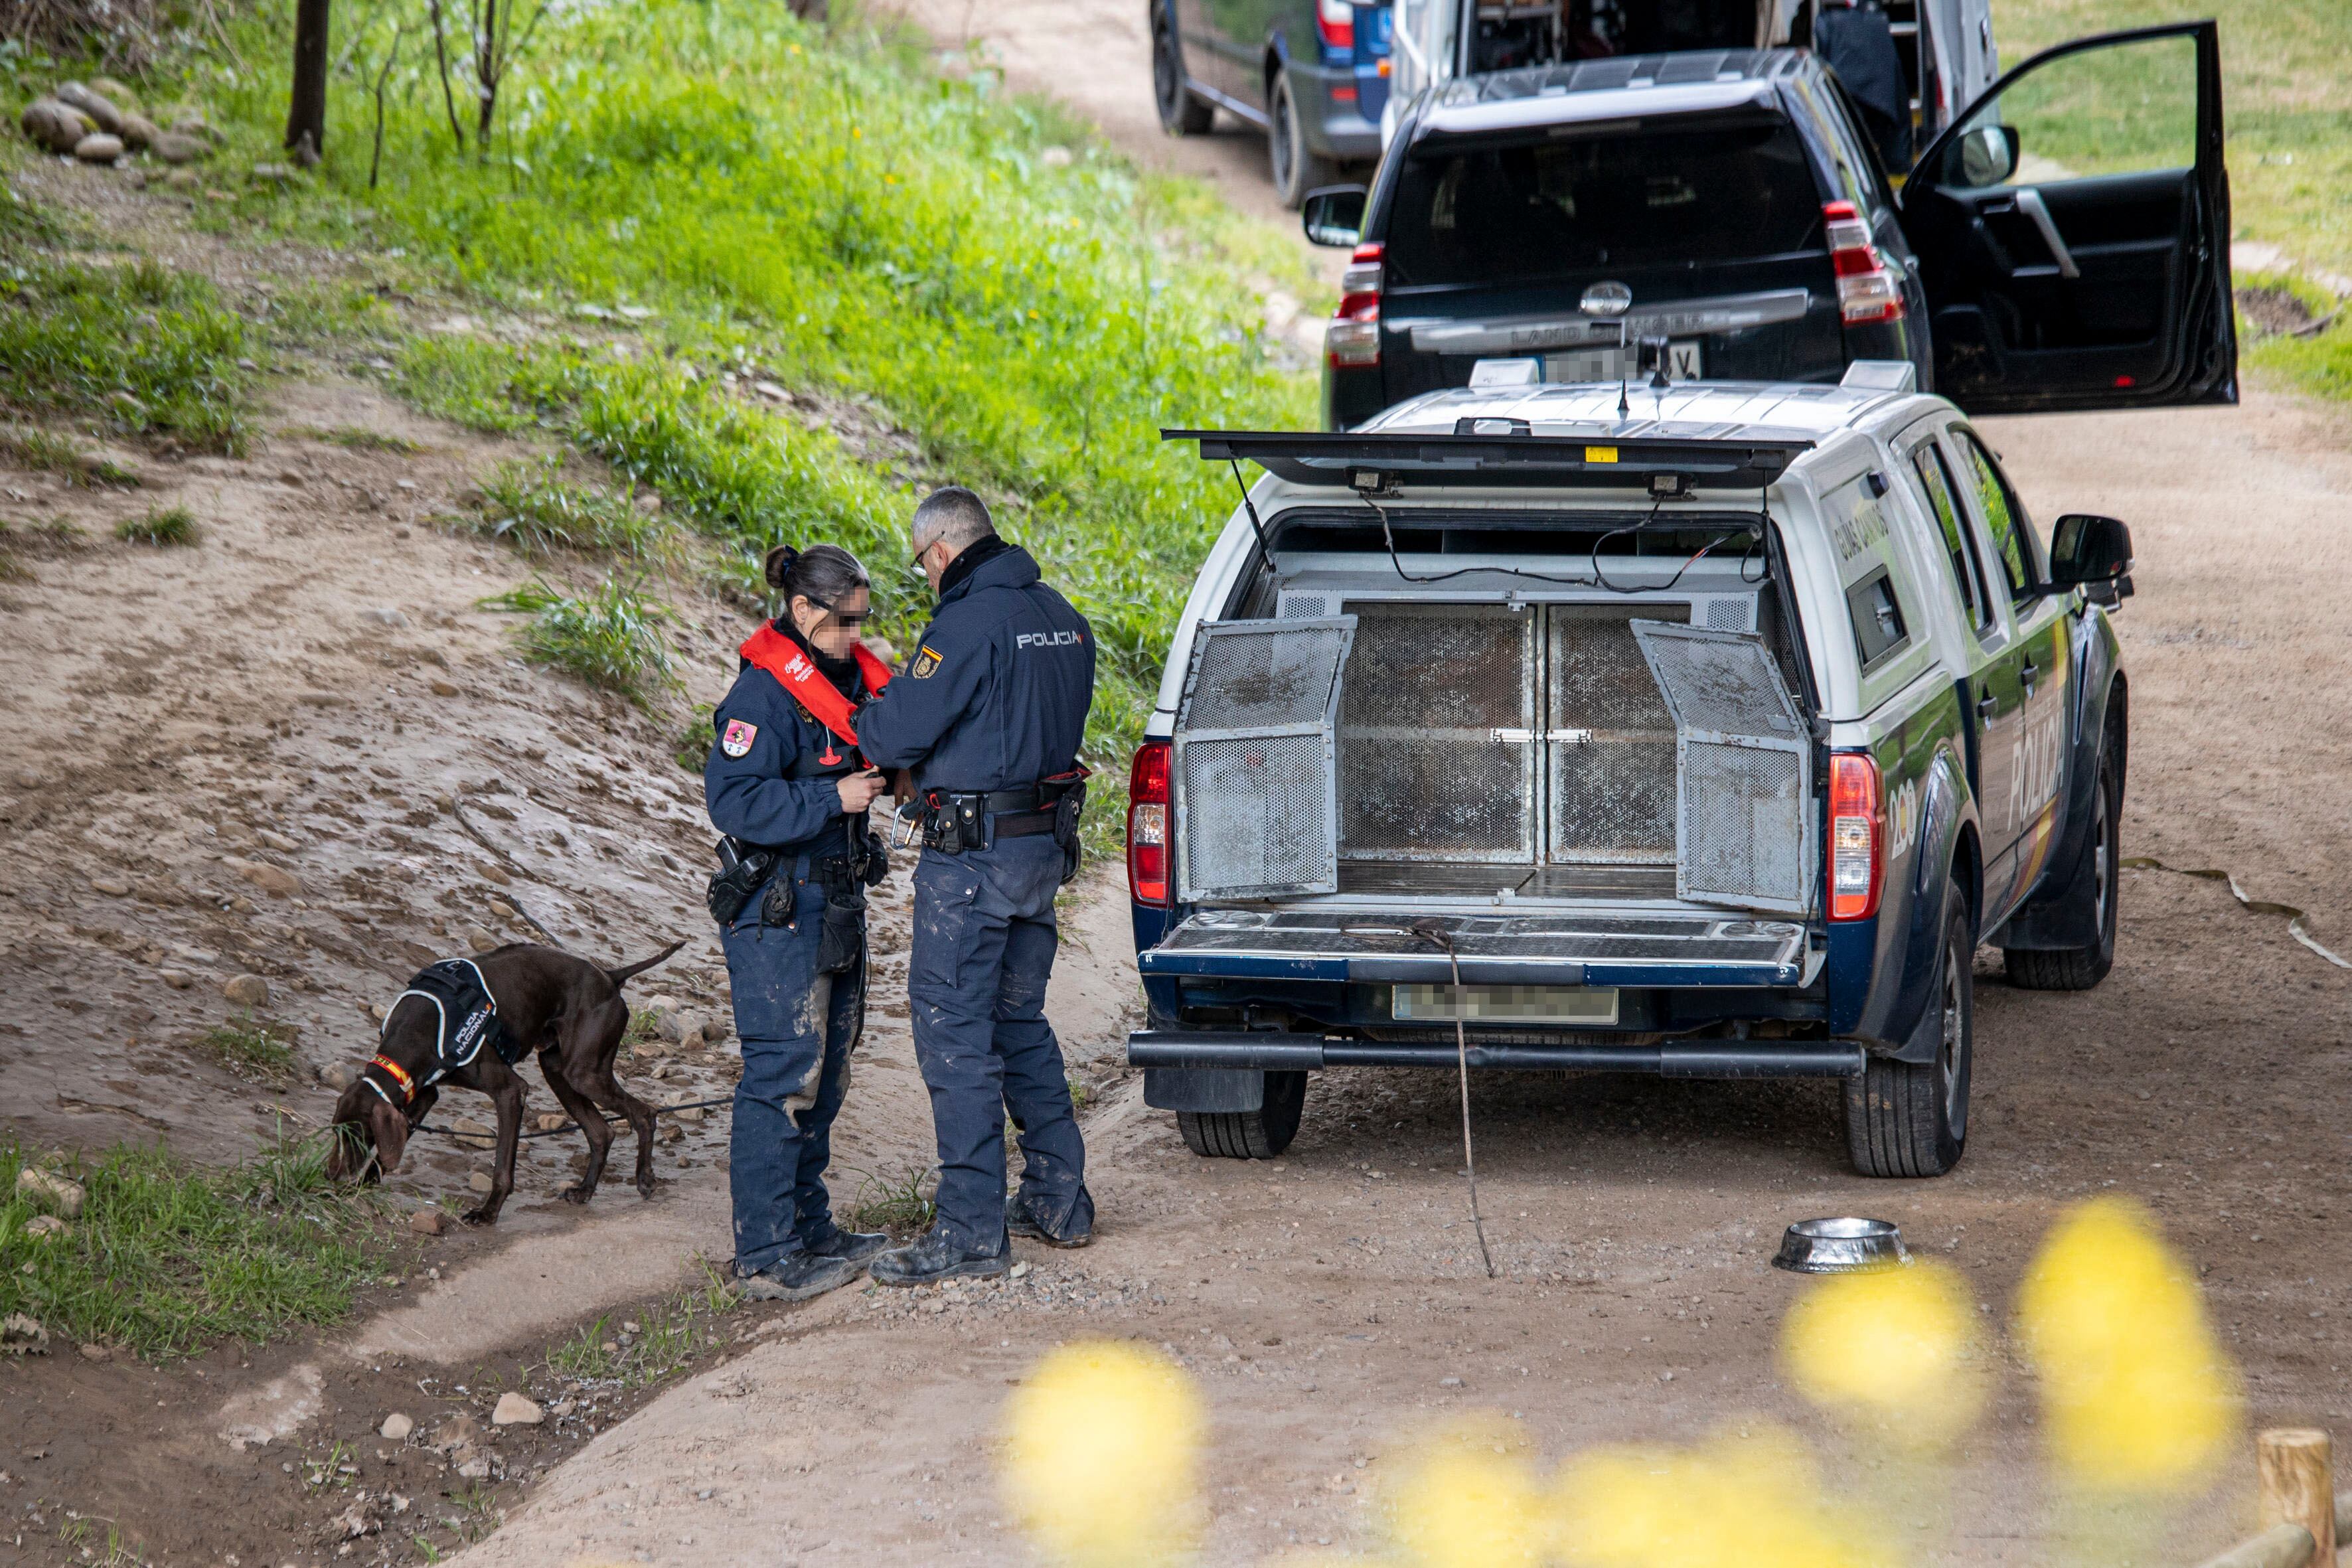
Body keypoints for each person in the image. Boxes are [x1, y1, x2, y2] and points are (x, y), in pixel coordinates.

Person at [854, 486, 1097, 1287]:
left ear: (941, 552)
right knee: (1017, 1021)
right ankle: (1061, 1198)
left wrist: (878, 718)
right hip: (1039, 857)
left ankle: (969, 1230)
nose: (927, 581)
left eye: (923, 566)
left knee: (953, 1033)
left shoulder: (965, 622)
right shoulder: (1062, 614)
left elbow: (894, 731)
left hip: (974, 866)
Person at [704, 543, 894, 1302]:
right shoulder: (761, 697)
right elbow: (735, 802)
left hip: (834, 902)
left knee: (828, 1076)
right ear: (803, 610)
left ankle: (811, 1227)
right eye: (844, 622)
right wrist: (831, 802)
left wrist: (861, 841)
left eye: (861, 620)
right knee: (782, 1075)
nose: (856, 637)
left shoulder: (836, 683)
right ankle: (764, 1250)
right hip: (777, 913)